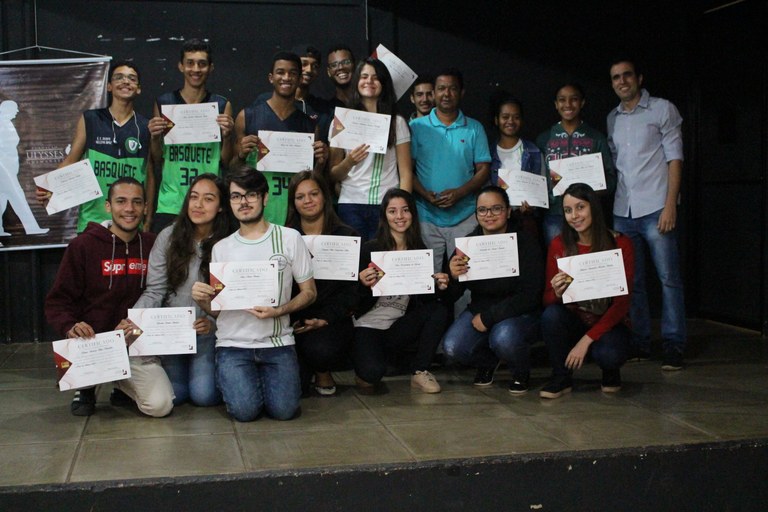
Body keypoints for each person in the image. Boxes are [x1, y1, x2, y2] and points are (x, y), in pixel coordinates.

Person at [191, 166, 317, 422]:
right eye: (236, 196)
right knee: (244, 412)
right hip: (233, 345)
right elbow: (220, 312)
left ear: (265, 198)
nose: (244, 202)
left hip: (277, 343)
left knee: (285, 412)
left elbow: (310, 292)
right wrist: (203, 302)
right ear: (229, 203)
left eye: (251, 194)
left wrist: (279, 311)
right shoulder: (221, 248)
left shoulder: (289, 238)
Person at [45, 177, 174, 417]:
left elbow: (163, 292)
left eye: (137, 202)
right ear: (108, 206)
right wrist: (71, 326)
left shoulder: (153, 244)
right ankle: (87, 386)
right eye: (121, 201)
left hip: (135, 344)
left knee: (161, 405)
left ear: (146, 207)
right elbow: (58, 302)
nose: (129, 209)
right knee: (84, 362)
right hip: (94, 344)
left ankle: (121, 382)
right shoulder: (83, 245)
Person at [607, 58, 685, 370]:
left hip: (656, 208)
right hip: (623, 211)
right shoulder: (612, 118)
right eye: (616, 77)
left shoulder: (662, 109)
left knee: (668, 279)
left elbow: (675, 159)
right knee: (632, 281)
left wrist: (670, 205)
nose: (622, 81)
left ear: (639, 78)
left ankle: (674, 345)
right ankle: (640, 342)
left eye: (627, 75)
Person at [129, 173, 234, 406]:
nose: (198, 204)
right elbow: (155, 290)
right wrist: (134, 319)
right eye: (194, 197)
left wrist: (212, 322)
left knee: (204, 396)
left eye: (208, 199)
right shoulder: (168, 236)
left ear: (220, 206)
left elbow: (235, 298)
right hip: (173, 332)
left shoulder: (229, 242)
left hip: (208, 332)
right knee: (176, 394)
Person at [442, 185, 543, 394]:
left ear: (508, 211)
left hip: (518, 312)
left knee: (503, 337)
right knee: (452, 347)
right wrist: (453, 277)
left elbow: (531, 294)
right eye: (482, 210)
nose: (489, 215)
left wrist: (490, 317)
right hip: (480, 309)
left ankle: (520, 371)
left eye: (496, 209)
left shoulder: (525, 242)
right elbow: (450, 296)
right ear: (476, 214)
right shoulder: (468, 245)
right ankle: (488, 361)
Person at [539, 183, 633, 398]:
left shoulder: (620, 243)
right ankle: (561, 377)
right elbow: (547, 300)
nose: (574, 216)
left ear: (594, 207)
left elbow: (622, 303)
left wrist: (586, 340)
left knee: (609, 354)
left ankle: (610, 371)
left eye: (580, 207)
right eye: (568, 210)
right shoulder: (559, 244)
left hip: (610, 323)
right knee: (551, 315)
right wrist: (557, 293)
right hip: (575, 318)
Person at [353, 188, 450, 394]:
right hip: (368, 325)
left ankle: (420, 371)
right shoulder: (370, 249)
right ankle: (372, 362)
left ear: (412, 214)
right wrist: (361, 283)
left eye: (405, 210)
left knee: (438, 310)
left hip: (399, 325)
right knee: (371, 374)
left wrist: (438, 286)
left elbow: (424, 298)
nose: (399, 216)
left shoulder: (419, 249)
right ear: (384, 216)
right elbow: (351, 298)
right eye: (392, 211)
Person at [39, 61, 154, 233]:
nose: (125, 81)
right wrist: (49, 187)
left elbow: (150, 174)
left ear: (138, 89)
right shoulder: (91, 119)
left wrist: (148, 219)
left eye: (132, 78)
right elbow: (71, 160)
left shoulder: (145, 126)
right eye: (119, 77)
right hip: (92, 219)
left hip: (130, 220)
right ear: (109, 86)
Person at [147, 39, 235, 233]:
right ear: (181, 66)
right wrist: (154, 138)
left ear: (211, 67)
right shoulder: (164, 103)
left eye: (202, 64)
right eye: (190, 63)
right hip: (171, 202)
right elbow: (157, 158)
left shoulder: (221, 105)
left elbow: (225, 161)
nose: (196, 69)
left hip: (208, 203)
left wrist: (228, 137)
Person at [231, 51, 328, 226]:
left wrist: (321, 162)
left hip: (294, 214)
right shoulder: (247, 116)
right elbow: (232, 169)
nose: (286, 78)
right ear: (271, 77)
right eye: (280, 72)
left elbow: (313, 179)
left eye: (292, 73)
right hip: (259, 212)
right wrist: (241, 155)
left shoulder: (309, 125)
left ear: (300, 79)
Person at [410, 68, 491, 273]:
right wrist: (425, 194)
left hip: (465, 216)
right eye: (441, 89)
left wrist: (460, 193)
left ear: (461, 92)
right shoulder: (416, 127)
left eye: (452, 89)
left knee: (466, 276)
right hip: (426, 216)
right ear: (434, 92)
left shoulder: (474, 128)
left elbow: (484, 170)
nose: (446, 94)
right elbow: (405, 169)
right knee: (427, 278)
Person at [285, 171, 359, 396]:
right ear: (293, 203)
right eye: (300, 197)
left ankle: (322, 368)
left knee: (321, 350)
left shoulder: (347, 236)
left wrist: (325, 319)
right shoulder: (283, 238)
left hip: (331, 319)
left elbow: (352, 293)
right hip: (294, 317)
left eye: (313, 194)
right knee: (293, 389)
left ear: (325, 197)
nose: (307, 200)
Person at [329, 58, 413, 241]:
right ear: (356, 81)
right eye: (364, 76)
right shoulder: (341, 121)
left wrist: (403, 208)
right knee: (356, 257)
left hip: (386, 204)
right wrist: (349, 162)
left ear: (383, 83)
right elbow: (333, 174)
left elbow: (406, 173)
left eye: (375, 78)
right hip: (351, 204)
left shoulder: (397, 122)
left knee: (384, 256)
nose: (369, 81)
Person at [537, 83, 616, 245]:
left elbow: (611, 178)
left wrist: (593, 191)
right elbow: (538, 179)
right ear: (556, 104)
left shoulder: (596, 138)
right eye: (562, 100)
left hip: (589, 215)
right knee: (559, 257)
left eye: (574, 99)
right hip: (556, 214)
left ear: (582, 102)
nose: (568, 104)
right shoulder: (544, 139)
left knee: (589, 257)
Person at [488, 93, 545, 243]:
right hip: (496, 221)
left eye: (516, 117)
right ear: (496, 120)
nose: (511, 121)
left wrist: (533, 206)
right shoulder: (487, 153)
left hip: (525, 221)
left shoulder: (534, 152)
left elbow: (542, 189)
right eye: (505, 117)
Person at [0, 100, 49, 236]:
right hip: (4, 172)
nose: (17, 112)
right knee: (18, 198)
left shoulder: (5, 123)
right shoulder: (1, 124)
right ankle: (32, 228)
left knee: (2, 200)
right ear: (7, 109)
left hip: (8, 170)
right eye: (14, 109)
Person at [326, 45, 356, 109]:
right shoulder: (326, 110)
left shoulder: (369, 104)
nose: (341, 67)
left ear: (354, 65)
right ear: (328, 72)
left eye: (346, 62)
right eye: (334, 65)